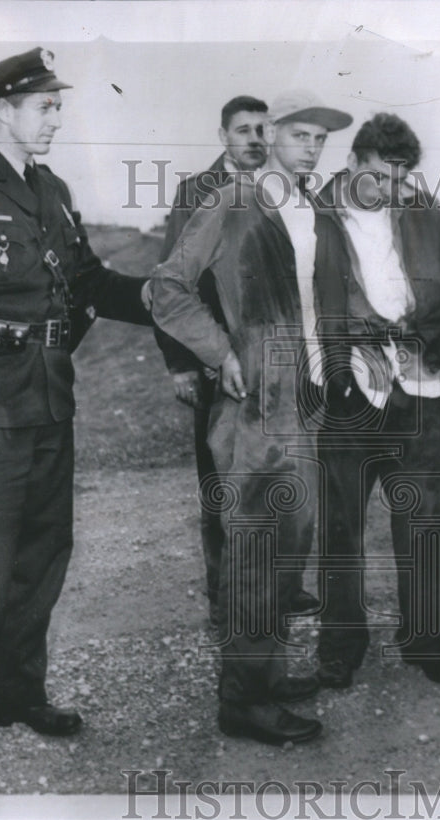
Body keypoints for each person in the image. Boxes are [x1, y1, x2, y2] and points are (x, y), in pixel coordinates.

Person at [0, 47, 154, 791]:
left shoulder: (51, 189)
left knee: (41, 563)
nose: (55, 118)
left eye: (56, 106)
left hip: (49, 403)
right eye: (44, 106)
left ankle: (18, 695)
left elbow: (89, 285)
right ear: (3, 108)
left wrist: (169, 297)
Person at [153, 90, 353, 745]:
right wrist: (218, 353)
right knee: (255, 546)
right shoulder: (231, 202)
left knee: (288, 545)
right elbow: (165, 289)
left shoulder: (310, 210)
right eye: (299, 132)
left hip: (306, 393)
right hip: (258, 390)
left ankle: (263, 675)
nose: (310, 144)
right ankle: (243, 701)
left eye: (321, 137)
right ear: (272, 136)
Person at [312, 113, 440, 690]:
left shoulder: (422, 209)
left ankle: (427, 640)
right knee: (342, 524)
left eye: (404, 177)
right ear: (353, 163)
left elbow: (434, 286)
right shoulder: (315, 212)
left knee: (425, 518)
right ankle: (341, 644)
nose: (395, 189)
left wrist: (425, 342)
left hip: (419, 386)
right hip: (349, 384)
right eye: (382, 176)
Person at [153, 95, 318, 625]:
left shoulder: (292, 195)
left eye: (262, 130)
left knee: (281, 484)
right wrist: (186, 362)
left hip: (278, 370)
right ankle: (228, 595)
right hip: (218, 361)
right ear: (223, 135)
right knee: (222, 483)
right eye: (243, 130)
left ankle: (276, 593)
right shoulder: (200, 194)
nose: (254, 139)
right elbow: (174, 282)